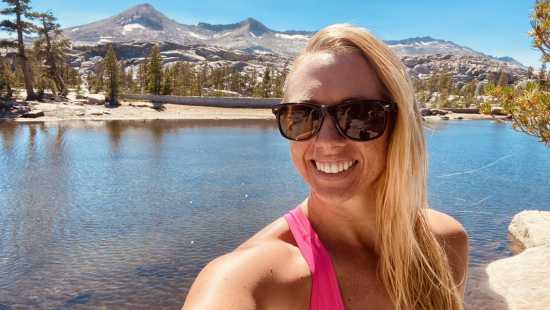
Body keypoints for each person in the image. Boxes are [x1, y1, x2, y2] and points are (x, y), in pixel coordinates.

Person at [183, 24, 468, 310]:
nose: (327, 142)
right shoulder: (247, 280)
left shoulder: (444, 244)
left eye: (359, 116)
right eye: (303, 116)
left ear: (399, 124)